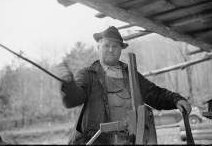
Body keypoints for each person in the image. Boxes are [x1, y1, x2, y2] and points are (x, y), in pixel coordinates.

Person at [57, 26, 192, 145]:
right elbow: (73, 99)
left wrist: (175, 99)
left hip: (128, 140)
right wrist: (69, 85)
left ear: (121, 49)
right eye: (106, 45)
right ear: (99, 48)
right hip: (95, 141)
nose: (110, 50)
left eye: (115, 46)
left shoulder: (130, 73)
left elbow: (154, 93)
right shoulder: (87, 74)